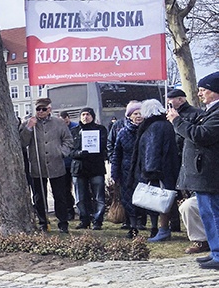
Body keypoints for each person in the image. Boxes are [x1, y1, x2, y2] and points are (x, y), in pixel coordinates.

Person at [169, 71, 219, 268]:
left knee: (213, 215)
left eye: (203, 90)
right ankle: (215, 249)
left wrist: (177, 121)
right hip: (204, 174)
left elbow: (202, 135)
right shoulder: (210, 111)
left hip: (210, 174)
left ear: (215, 92)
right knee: (207, 214)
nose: (199, 94)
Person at [19, 99, 74, 232]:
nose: (41, 112)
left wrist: (62, 152)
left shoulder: (59, 123)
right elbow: (22, 142)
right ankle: (43, 222)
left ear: (49, 109)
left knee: (60, 195)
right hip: (37, 165)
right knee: (39, 197)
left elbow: (68, 140)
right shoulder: (28, 123)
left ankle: (63, 222)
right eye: (38, 109)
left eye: (44, 109)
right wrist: (28, 128)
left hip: (56, 165)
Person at [132, 99, 180, 242]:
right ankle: (164, 228)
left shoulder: (154, 127)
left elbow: (152, 149)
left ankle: (163, 229)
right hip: (167, 167)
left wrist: (150, 171)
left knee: (160, 200)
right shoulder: (164, 124)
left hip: (159, 170)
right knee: (164, 200)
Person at [70, 107, 109, 230]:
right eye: (83, 114)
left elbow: (103, 147)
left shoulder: (100, 129)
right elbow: (69, 150)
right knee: (80, 197)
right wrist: (79, 153)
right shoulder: (74, 131)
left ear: (92, 116)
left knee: (98, 196)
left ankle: (97, 220)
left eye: (88, 114)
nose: (85, 117)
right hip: (78, 168)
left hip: (95, 167)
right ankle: (84, 220)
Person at [111, 102, 145, 237]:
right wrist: (115, 172)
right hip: (126, 171)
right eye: (135, 113)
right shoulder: (123, 132)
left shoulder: (147, 130)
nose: (138, 116)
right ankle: (132, 226)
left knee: (144, 199)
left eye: (140, 113)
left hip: (143, 170)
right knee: (128, 199)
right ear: (129, 116)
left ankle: (147, 223)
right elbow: (116, 153)